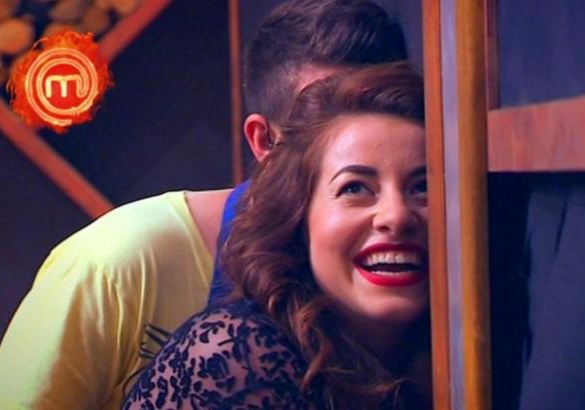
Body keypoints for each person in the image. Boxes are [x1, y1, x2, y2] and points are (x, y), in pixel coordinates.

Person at [0, 1, 408, 408]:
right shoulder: (121, 260)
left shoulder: (405, 263)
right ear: (264, 141)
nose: (354, 148)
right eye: (320, 124)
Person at [123, 63, 431, 409]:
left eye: (423, 187)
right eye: (355, 188)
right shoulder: (241, 358)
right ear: (299, 216)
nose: (396, 216)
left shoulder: (446, 355)